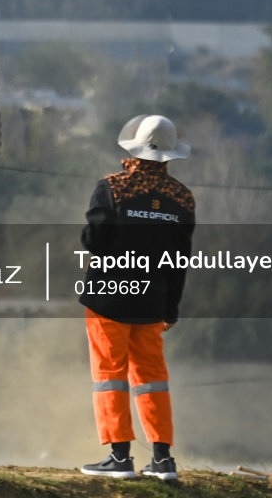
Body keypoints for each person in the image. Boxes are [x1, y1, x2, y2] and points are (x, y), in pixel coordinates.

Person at [78, 115, 196, 481]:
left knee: (110, 375)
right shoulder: (182, 199)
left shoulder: (112, 187)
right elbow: (179, 261)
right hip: (152, 301)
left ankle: (120, 458)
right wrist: (171, 308)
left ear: (133, 148)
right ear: (170, 155)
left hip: (108, 299)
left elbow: (94, 242)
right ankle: (162, 459)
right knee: (152, 377)